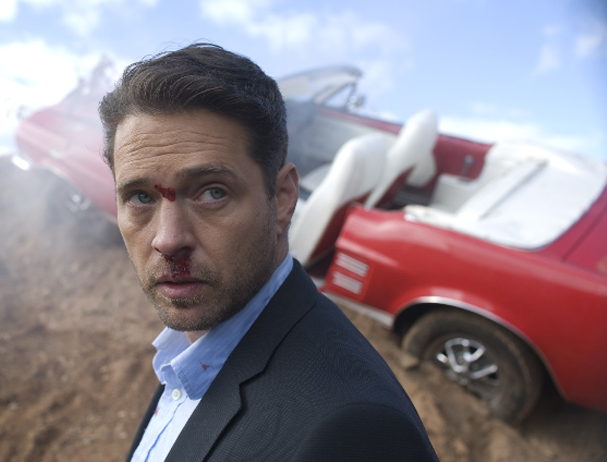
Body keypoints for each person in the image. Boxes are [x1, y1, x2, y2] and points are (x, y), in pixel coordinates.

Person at [99, 43, 439, 462]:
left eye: (212, 192)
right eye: (139, 197)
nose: (168, 240)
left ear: (282, 199)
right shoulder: (187, 354)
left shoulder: (352, 431)